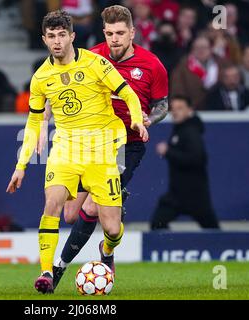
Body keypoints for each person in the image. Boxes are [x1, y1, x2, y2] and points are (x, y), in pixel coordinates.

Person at [6, 10, 147, 294]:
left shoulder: (96, 63)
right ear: (44, 39)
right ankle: (46, 272)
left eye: (61, 35)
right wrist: (21, 165)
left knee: (112, 228)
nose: (57, 42)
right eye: (51, 37)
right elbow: (34, 121)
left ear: (72, 36)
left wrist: (133, 116)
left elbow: (128, 93)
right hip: (66, 150)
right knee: (53, 204)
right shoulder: (41, 77)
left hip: (103, 150)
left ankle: (106, 249)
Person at [49, 4, 168, 290]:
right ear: (104, 32)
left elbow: (162, 104)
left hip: (127, 143)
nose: (115, 38)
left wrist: (149, 119)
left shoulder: (152, 65)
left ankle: (57, 271)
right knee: (70, 214)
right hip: (90, 141)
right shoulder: (91, 58)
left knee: (94, 207)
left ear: (132, 33)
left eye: (120, 33)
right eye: (110, 33)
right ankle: (111, 229)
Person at [150, 95, 219, 230]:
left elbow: (197, 158)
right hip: (177, 194)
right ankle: (170, 249)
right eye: (173, 109)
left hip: (194, 195)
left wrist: (168, 152)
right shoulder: (180, 128)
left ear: (190, 110)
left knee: (212, 230)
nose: (175, 112)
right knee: (158, 223)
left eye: (180, 108)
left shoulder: (190, 131)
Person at [171, 35, 227, 109]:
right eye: (197, 48)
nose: (201, 51)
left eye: (204, 47)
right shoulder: (182, 67)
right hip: (192, 109)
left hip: (219, 110)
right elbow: (177, 90)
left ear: (211, 49)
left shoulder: (221, 64)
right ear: (192, 50)